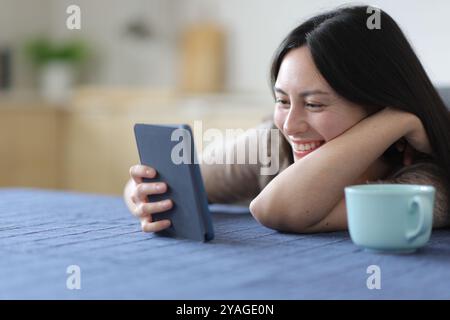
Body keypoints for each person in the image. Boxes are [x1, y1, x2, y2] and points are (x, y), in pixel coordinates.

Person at [123, 5, 450, 233]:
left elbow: (280, 210)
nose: (290, 125)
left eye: (315, 105)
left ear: (379, 105)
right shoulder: (271, 144)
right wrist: (143, 196)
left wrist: (396, 121)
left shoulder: (428, 181)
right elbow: (166, 180)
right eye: (282, 100)